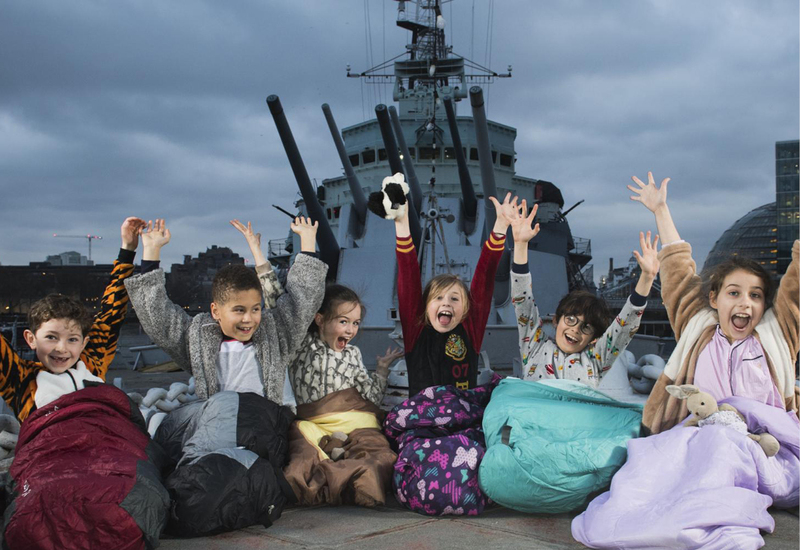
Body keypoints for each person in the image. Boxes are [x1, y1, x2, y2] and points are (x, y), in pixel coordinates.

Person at [628, 172, 799, 434]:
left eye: (755, 295)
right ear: (713, 299)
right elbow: (677, 272)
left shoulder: (778, 332)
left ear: (765, 304)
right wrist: (661, 210)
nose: (745, 303)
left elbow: (796, 289)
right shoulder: (697, 323)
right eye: (733, 293)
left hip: (763, 449)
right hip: (699, 441)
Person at [124, 217, 328, 405]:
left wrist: (308, 243)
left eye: (255, 309)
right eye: (239, 310)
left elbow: (302, 302)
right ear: (215, 311)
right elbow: (160, 320)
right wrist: (151, 252)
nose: (248, 319)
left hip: (268, 428)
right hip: (221, 427)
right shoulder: (199, 340)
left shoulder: (275, 334)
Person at [230, 218, 403, 407]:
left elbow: (372, 399)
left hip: (345, 423)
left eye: (356, 323)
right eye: (343, 321)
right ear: (320, 319)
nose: (351, 330)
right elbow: (277, 300)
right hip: (310, 424)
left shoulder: (353, 354)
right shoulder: (301, 344)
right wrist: (257, 251)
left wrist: (382, 370)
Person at [0, 217, 146, 421]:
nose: (62, 348)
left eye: (72, 339)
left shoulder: (92, 361)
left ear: (84, 342)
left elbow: (113, 310)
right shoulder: (22, 380)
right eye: (51, 337)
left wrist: (128, 249)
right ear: (30, 338)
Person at [510, 199, 659, 386]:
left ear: (594, 338)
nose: (576, 329)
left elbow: (624, 327)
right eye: (571, 319)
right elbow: (523, 301)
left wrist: (646, 278)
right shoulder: (534, 346)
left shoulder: (597, 360)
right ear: (556, 320)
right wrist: (521, 245)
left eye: (586, 327)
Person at [394, 193, 514, 396]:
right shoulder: (416, 331)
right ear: (425, 306)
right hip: (421, 418)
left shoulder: (470, 330)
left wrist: (500, 228)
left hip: (460, 416)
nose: (446, 303)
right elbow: (408, 277)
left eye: (455, 298)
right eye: (438, 298)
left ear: (466, 308)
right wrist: (402, 224)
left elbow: (484, 278)